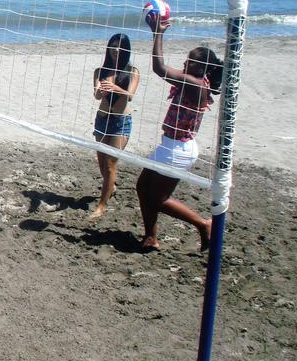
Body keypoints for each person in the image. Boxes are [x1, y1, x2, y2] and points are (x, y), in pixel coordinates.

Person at [135, 18, 223, 251]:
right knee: (143, 187)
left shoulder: (195, 84)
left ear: (202, 68)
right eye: (188, 58)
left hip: (178, 150)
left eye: (192, 61)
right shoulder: (194, 81)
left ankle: (203, 224)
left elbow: (159, 68)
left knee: (159, 198)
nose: (186, 62)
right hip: (171, 146)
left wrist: (157, 33)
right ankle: (151, 236)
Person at [89, 33, 140, 219]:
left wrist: (116, 88)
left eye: (120, 47)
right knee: (102, 163)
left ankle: (101, 206)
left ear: (126, 49)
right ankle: (112, 186)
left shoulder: (132, 71)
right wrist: (101, 90)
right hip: (102, 118)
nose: (116, 50)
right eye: (113, 46)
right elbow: (96, 95)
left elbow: (131, 95)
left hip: (121, 121)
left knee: (111, 164)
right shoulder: (100, 71)